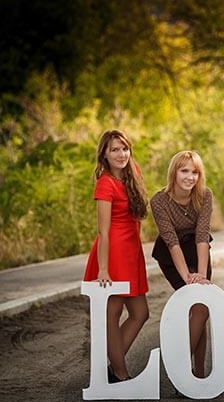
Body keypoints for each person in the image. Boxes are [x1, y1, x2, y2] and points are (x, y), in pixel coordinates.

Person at [83, 129, 150, 383]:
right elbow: (103, 230)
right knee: (113, 313)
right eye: (114, 150)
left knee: (140, 313)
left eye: (124, 148)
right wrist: (103, 268)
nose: (121, 154)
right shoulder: (105, 183)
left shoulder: (134, 174)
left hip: (132, 252)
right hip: (112, 254)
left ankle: (111, 365)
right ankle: (120, 373)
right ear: (105, 155)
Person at [150, 151, 213, 379]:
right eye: (184, 170)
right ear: (174, 172)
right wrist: (188, 276)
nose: (190, 177)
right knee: (196, 306)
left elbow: (202, 235)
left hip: (199, 252)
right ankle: (182, 373)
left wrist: (202, 275)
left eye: (195, 172)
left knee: (202, 307)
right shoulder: (159, 201)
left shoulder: (205, 196)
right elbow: (171, 240)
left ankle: (199, 371)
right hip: (171, 255)